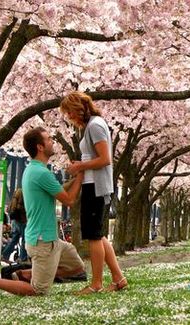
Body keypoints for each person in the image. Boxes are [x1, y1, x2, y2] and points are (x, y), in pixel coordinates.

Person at [0, 127, 85, 296]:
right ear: (40, 147)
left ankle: (25, 274)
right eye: (48, 139)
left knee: (77, 268)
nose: (52, 142)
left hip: (50, 239)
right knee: (38, 290)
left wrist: (74, 178)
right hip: (43, 241)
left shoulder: (33, 169)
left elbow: (58, 190)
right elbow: (68, 200)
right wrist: (81, 176)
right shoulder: (41, 173)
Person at [60, 91, 127, 295]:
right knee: (98, 234)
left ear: (79, 108)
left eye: (70, 112)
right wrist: (81, 167)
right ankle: (118, 278)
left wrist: (81, 166)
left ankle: (96, 283)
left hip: (96, 186)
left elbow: (105, 159)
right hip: (93, 184)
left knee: (94, 236)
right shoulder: (92, 126)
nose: (69, 117)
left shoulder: (95, 126)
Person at [1, 188, 28, 264]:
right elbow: (22, 207)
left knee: (14, 240)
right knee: (24, 240)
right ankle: (23, 258)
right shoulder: (24, 193)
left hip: (15, 220)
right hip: (22, 220)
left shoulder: (17, 191)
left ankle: (5, 255)